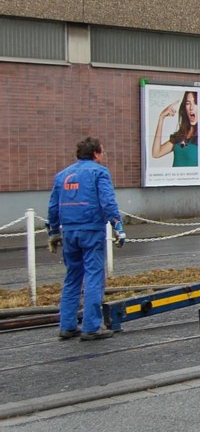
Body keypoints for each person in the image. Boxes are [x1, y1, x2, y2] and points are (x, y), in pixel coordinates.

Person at [47, 136, 126, 341]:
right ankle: (91, 327)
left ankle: (67, 325)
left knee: (72, 277)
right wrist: (118, 225)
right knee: (93, 277)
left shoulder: (62, 176)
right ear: (95, 154)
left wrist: (54, 232)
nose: (103, 155)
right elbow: (108, 201)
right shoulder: (99, 172)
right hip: (91, 230)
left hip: (69, 232)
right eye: (102, 151)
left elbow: (53, 207)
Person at [151, 90, 200, 167]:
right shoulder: (181, 135)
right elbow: (156, 153)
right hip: (175, 178)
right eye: (188, 103)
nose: (191, 107)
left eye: (196, 103)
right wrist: (161, 117)